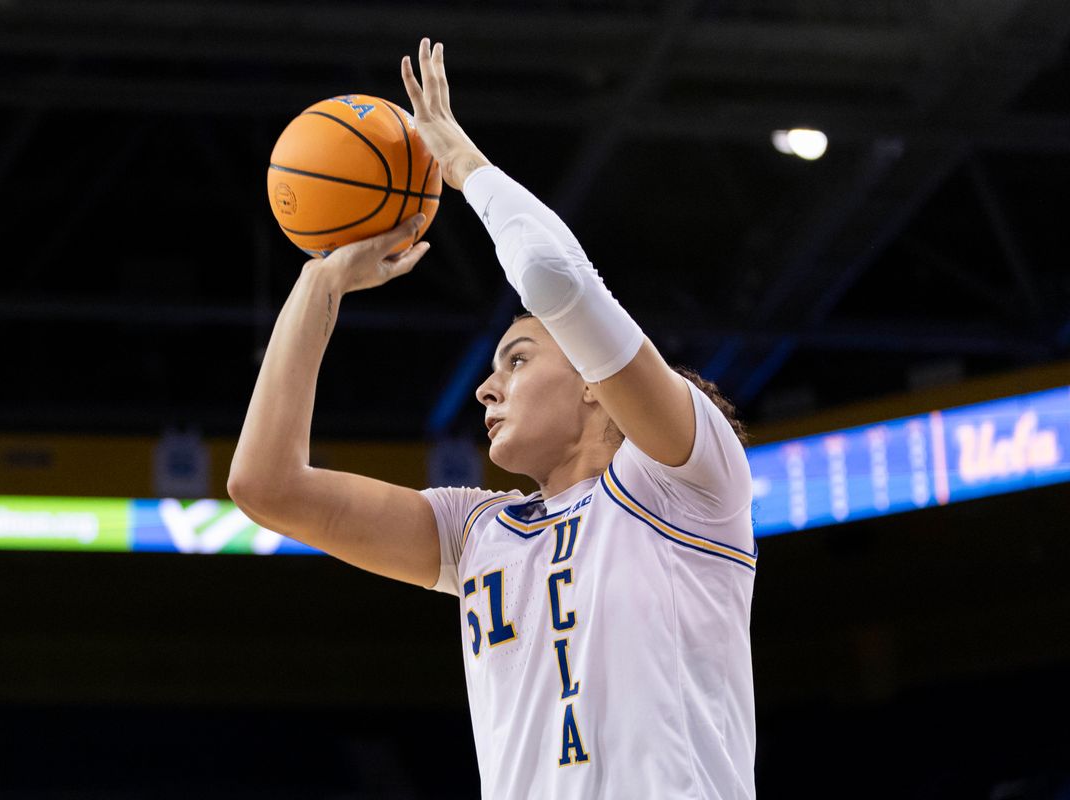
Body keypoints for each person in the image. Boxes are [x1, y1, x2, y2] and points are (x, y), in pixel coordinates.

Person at [228, 38, 756, 800]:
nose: (484, 388)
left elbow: (553, 278)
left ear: (595, 384)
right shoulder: (476, 532)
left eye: (516, 359)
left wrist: (461, 160)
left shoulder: (686, 482)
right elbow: (265, 485)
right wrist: (321, 284)